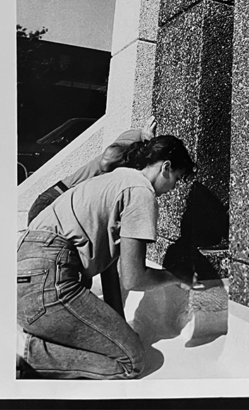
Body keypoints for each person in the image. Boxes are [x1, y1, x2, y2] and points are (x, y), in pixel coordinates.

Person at [17, 135, 195, 380]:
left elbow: (111, 271)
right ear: (165, 167)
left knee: (122, 344)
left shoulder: (111, 180)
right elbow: (133, 278)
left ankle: (28, 348)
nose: (174, 188)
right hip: (49, 279)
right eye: (176, 179)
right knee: (132, 361)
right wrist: (174, 276)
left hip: (25, 283)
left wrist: (119, 329)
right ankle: (25, 356)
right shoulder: (141, 191)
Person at [27, 116, 158, 224]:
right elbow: (105, 163)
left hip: (67, 202)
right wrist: (148, 142)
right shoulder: (135, 138)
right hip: (54, 199)